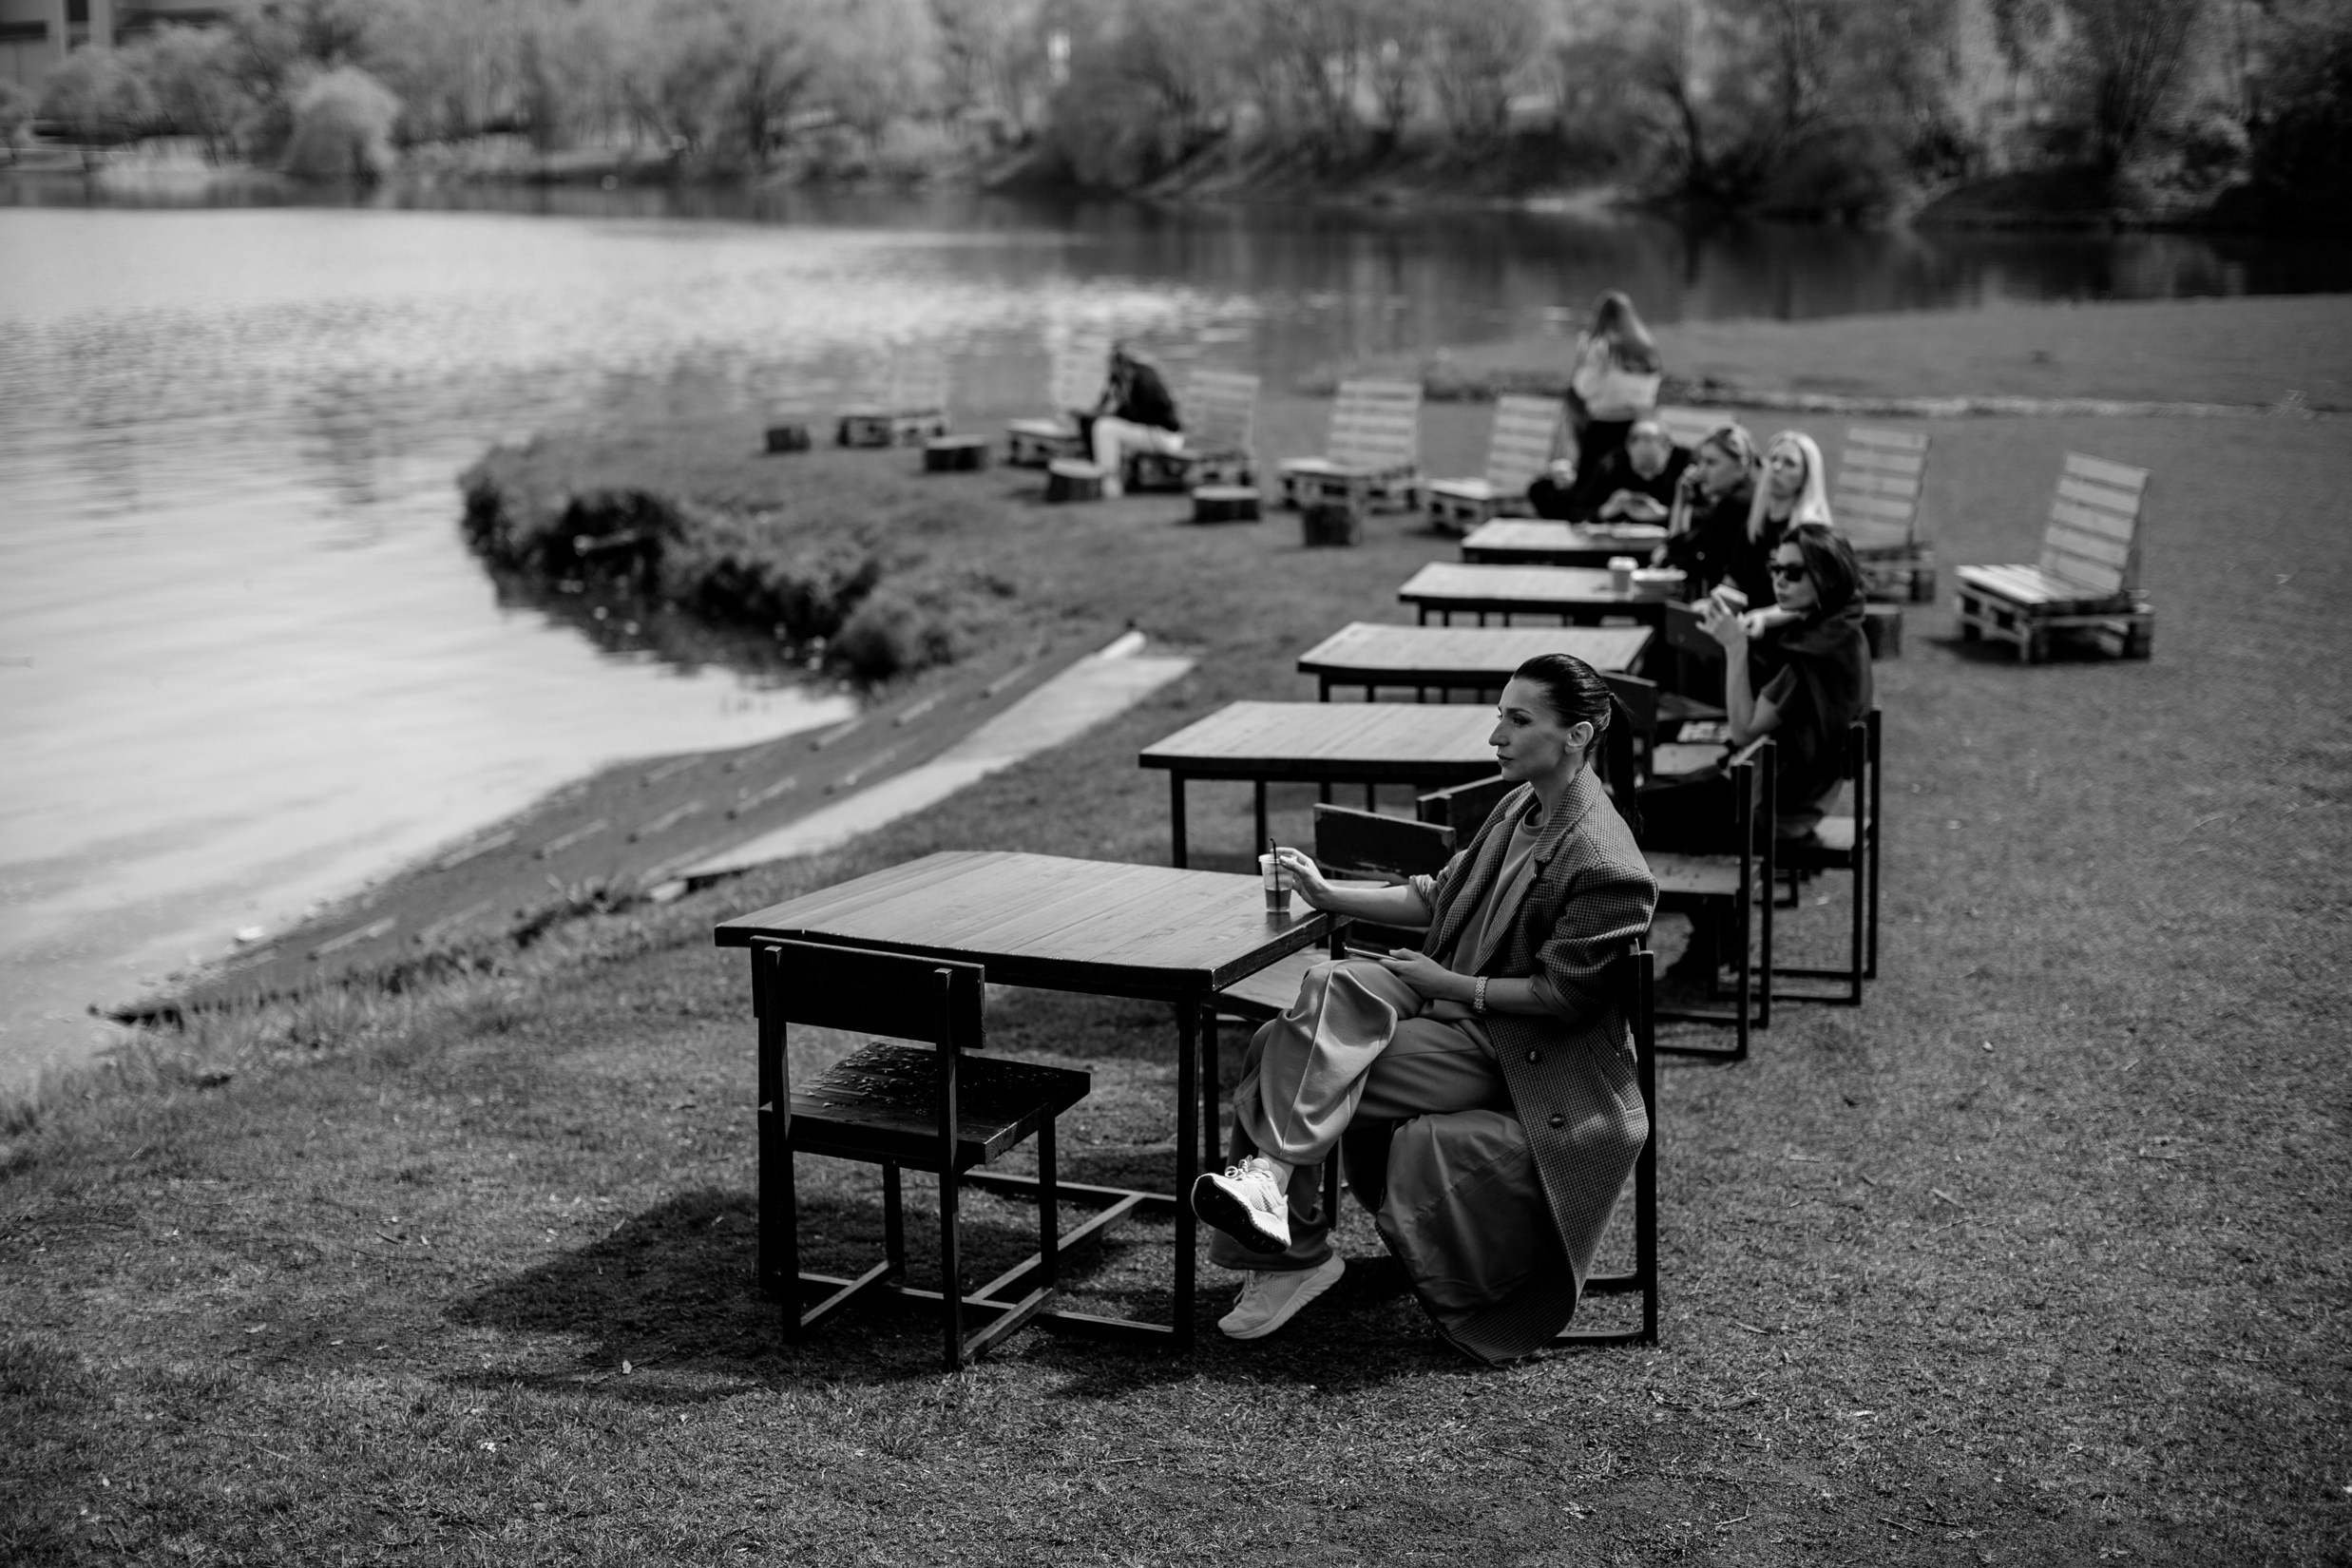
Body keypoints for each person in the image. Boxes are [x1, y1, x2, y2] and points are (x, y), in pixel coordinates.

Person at [1190, 655, 1658, 1362]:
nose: (1494, 734)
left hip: (1512, 1050)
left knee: (1275, 1054)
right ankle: (1275, 1194)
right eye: (1500, 714)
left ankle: (1290, 1249)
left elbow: (1562, 997)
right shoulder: (1519, 804)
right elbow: (1438, 893)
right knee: (1330, 988)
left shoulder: (1603, 859)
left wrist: (1449, 984)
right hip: (1439, 997)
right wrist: (1327, 894)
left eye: (1517, 719)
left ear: (1578, 735)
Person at [1558, 291, 1663, 521]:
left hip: (1604, 427)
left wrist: (1581, 359)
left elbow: (1584, 387)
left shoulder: (1600, 347)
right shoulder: (1645, 347)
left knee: (1587, 491)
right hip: (1637, 425)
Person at [1726, 430, 1832, 609]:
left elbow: (1812, 601)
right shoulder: (1755, 524)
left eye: (1789, 463)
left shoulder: (1811, 533)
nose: (1776, 467)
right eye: (1773, 459)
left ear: (1805, 477)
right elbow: (1732, 582)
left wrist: (1764, 618)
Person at [1655, 422, 1760, 593]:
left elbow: (1695, 562)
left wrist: (1664, 560)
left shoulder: (1736, 504)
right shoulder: (1736, 498)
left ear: (1741, 466)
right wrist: (1682, 502)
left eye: (1711, 462)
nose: (1700, 471)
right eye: (1700, 461)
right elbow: (1682, 545)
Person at [1526, 416, 1687, 525]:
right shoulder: (1610, 466)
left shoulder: (1685, 464)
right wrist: (1605, 511)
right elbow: (1576, 510)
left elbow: (1707, 515)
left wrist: (1666, 514)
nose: (1647, 476)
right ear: (1628, 449)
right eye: (1641, 468)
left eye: (1653, 468)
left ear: (1669, 449)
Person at [1084, 342, 1182, 498]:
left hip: (1165, 436)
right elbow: (1120, 409)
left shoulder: (1144, 377)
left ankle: (1110, 487)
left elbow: (1142, 414)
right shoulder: (1124, 378)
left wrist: (1115, 414)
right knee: (1103, 426)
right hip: (1150, 432)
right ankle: (1108, 483)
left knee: (1105, 428)